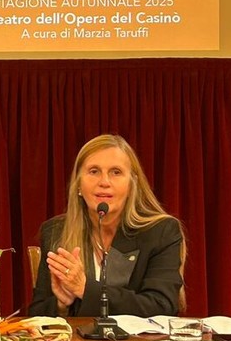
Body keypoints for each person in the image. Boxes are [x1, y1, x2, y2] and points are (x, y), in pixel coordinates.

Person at [29, 134, 185, 318]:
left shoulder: (161, 232)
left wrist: (85, 289)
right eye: (94, 171)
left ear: (132, 184)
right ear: (78, 184)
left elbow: (162, 306)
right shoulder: (56, 231)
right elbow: (36, 314)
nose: (104, 182)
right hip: (77, 338)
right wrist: (61, 304)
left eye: (116, 172)